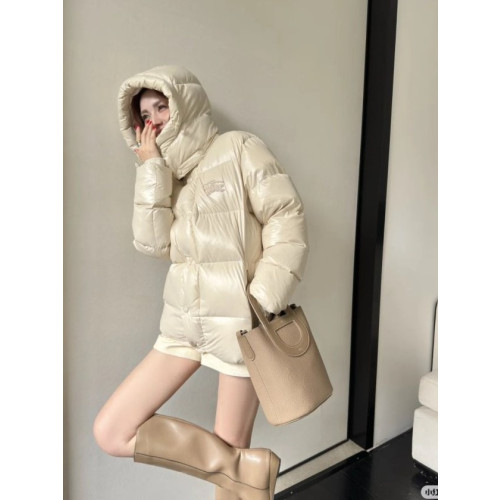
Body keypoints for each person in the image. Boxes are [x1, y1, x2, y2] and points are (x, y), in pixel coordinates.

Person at [93, 65, 309, 500]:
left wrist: (261, 300)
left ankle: (244, 471)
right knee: (113, 432)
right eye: (145, 115)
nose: (154, 121)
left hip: (239, 326)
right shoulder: (165, 174)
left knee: (229, 469)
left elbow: (286, 218)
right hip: (182, 325)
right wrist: (151, 169)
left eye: (161, 107)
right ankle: (249, 470)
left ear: (185, 103)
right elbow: (153, 244)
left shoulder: (239, 147)